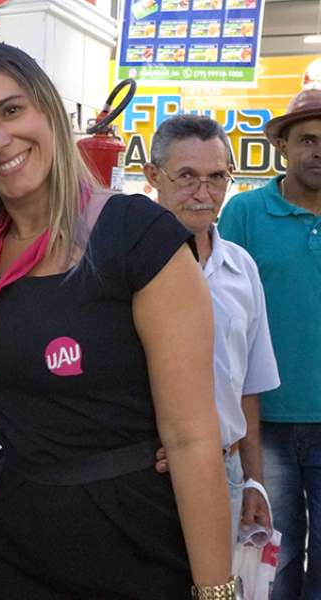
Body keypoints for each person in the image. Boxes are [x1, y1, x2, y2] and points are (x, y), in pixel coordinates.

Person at [0, 43, 236, 599]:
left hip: (135, 545)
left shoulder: (133, 233)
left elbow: (192, 439)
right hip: (18, 546)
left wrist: (217, 591)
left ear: (48, 110)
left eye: (10, 110)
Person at [143, 114, 280, 549]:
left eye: (217, 177)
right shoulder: (124, 268)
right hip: (146, 473)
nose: (204, 194)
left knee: (220, 580)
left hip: (227, 471)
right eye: (187, 176)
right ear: (154, 176)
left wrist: (254, 481)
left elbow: (248, 388)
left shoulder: (241, 268)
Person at [218, 88, 321, 600]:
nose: (318, 151)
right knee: (271, 553)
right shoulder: (244, 213)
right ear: (282, 145)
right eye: (308, 139)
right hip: (263, 421)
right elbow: (217, 309)